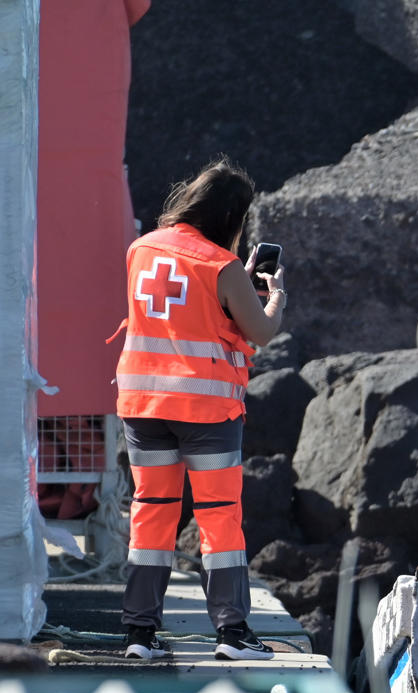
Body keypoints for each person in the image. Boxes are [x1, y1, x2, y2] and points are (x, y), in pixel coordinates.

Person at [112, 158, 286, 660]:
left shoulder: (140, 250)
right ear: (232, 216)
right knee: (218, 517)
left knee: (152, 515)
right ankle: (232, 635)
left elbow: (178, 313)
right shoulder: (223, 265)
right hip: (205, 410)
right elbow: (259, 330)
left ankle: (139, 635)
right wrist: (274, 296)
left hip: (142, 406)